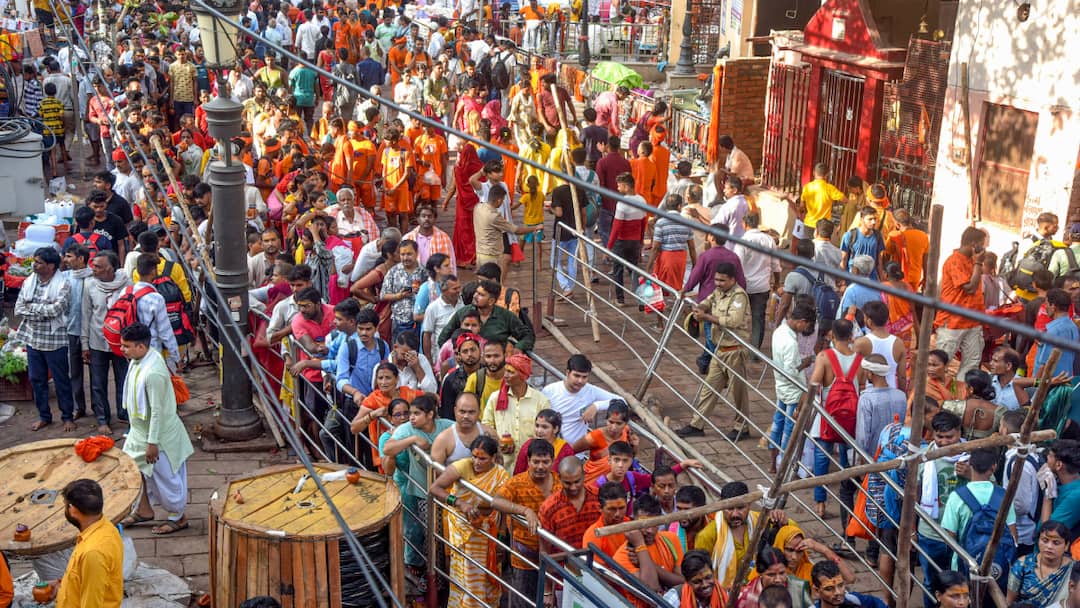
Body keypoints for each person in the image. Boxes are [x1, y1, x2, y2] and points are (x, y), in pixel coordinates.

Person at [117, 323, 194, 535]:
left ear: (141, 347)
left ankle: (178, 517)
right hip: (138, 430)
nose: (122, 349)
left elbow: (158, 412)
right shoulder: (139, 360)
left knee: (166, 479)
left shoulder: (153, 372)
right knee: (134, 471)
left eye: (126, 346)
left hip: (159, 436)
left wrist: (152, 443)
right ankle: (143, 510)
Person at [430, 435, 512, 608]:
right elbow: (435, 488)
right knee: (467, 572)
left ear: (494, 458)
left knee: (487, 574)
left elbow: (500, 509)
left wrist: (502, 538)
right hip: (463, 530)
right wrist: (460, 503)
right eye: (474, 456)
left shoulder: (500, 475)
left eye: (482, 458)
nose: (476, 462)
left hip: (488, 532)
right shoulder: (462, 466)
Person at [676, 263, 751, 440]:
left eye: (722, 280)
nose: (717, 283)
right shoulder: (719, 291)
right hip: (719, 350)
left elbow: (733, 321)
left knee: (737, 392)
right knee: (709, 388)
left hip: (734, 351)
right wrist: (701, 307)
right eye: (716, 279)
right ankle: (697, 424)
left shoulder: (739, 296)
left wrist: (706, 317)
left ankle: (743, 427)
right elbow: (709, 300)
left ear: (732, 280)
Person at [383, 394, 454, 574]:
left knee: (448, 535)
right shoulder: (407, 429)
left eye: (416, 413)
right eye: (410, 413)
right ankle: (432, 575)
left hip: (451, 489)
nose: (410, 417)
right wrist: (413, 441)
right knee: (430, 535)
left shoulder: (445, 425)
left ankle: (448, 575)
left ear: (430, 415)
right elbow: (387, 448)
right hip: (424, 492)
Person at [17, 247, 76, 432]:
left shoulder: (63, 284)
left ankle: (67, 416)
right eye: (35, 261)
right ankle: (44, 416)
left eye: (39, 262)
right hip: (33, 338)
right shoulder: (29, 282)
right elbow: (18, 308)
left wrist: (32, 308)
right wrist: (41, 309)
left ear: (51, 266)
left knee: (61, 380)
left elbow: (56, 310)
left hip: (55, 340)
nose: (34, 265)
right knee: (36, 379)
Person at [495, 439, 560, 607]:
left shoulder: (560, 482)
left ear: (552, 462)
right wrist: (524, 511)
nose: (540, 466)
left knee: (550, 600)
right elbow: (496, 501)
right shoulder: (517, 482)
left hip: (554, 554)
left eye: (545, 462)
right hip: (525, 555)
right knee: (522, 599)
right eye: (536, 461)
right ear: (528, 461)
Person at [692, 481, 790, 587]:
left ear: (749, 505)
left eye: (740, 508)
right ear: (721, 506)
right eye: (730, 508)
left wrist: (782, 519)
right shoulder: (707, 536)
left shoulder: (759, 521)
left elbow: (789, 531)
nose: (735, 514)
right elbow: (700, 573)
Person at [44, 479, 124, 608]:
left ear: (73, 509)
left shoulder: (93, 553)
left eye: (65, 505)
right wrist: (61, 585)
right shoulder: (106, 528)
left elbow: (92, 603)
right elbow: (87, 578)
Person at [915, 410, 967, 601]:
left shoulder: (972, 457)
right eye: (940, 437)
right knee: (931, 582)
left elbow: (988, 489)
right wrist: (912, 530)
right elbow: (915, 496)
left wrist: (971, 475)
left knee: (961, 583)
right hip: (930, 533)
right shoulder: (923, 457)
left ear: (959, 433)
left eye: (950, 437)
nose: (944, 442)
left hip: (961, 535)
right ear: (932, 435)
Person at [612, 494, 685, 603]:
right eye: (645, 524)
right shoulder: (622, 556)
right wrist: (640, 544)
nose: (650, 530)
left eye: (654, 524)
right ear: (633, 521)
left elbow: (683, 582)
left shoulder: (671, 539)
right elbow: (651, 588)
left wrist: (649, 564)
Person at [769, 305, 817, 472]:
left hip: (781, 386)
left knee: (777, 424)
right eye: (806, 326)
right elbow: (791, 371)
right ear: (801, 322)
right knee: (789, 429)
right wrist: (804, 364)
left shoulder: (779, 331)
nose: (806, 330)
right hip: (792, 390)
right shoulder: (790, 342)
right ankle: (783, 465)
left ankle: (773, 463)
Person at [482, 353, 550, 470]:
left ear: (523, 376)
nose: (506, 375)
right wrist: (499, 443)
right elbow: (486, 425)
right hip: (503, 464)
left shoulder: (541, 401)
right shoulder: (495, 398)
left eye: (511, 372)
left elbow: (548, 431)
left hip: (531, 465)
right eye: (506, 371)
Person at [936, 226, 987, 377]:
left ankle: (956, 399)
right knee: (939, 364)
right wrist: (978, 263)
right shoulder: (954, 261)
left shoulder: (972, 261)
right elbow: (970, 288)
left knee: (970, 366)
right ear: (973, 244)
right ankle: (935, 398)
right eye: (983, 244)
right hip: (952, 322)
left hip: (972, 322)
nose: (985, 248)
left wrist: (977, 263)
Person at [541, 354, 621, 445]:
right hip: (551, 449)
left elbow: (621, 401)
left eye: (584, 377)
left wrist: (596, 406)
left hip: (576, 453)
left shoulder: (591, 391)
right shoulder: (550, 391)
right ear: (567, 373)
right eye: (576, 376)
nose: (580, 381)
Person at [436, 279, 535, 351]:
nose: (475, 296)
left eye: (481, 295)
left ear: (491, 301)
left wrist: (518, 348)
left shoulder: (505, 316)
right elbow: (443, 338)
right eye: (476, 292)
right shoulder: (463, 313)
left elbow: (528, 336)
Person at [733, 213, 780, 349]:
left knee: (738, 316)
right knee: (758, 318)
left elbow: (738, 265)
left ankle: (737, 345)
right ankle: (754, 350)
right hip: (762, 286)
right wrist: (776, 282)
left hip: (744, 285)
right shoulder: (769, 240)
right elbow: (776, 265)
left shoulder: (742, 241)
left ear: (744, 224)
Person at [540, 456, 602, 551]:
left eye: (577, 482)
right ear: (559, 478)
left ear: (584, 475)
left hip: (596, 561)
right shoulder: (549, 508)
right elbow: (545, 547)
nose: (573, 487)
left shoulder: (599, 497)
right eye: (568, 483)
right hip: (562, 563)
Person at [1008, 521, 1075, 607]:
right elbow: (1010, 602)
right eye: (1045, 540)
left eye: (1056, 543)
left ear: (1066, 546)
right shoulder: (1022, 565)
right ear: (1038, 541)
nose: (1049, 546)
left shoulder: (1072, 568)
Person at [855, 354, 908, 456]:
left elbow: (862, 436)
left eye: (865, 371)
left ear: (870, 373)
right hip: (895, 453)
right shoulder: (901, 396)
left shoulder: (866, 398)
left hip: (874, 456)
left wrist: (861, 457)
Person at [572, 399, 631, 486]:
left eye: (619, 424)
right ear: (606, 420)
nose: (613, 427)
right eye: (610, 422)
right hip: (590, 483)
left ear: (625, 423)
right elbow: (570, 451)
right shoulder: (594, 437)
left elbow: (629, 455)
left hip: (613, 484)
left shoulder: (626, 432)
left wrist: (635, 446)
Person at [773, 524, 853, 586]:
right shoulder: (769, 572)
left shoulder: (809, 571)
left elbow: (849, 578)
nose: (794, 557)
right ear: (780, 547)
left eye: (799, 551)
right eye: (789, 550)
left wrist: (822, 549)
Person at [854, 300, 907, 390]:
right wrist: (902, 394)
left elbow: (856, 375)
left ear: (869, 321)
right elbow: (902, 376)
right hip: (891, 392)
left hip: (869, 393)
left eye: (865, 318)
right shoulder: (899, 343)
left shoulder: (861, 343)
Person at [736, 546, 812, 608]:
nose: (778, 580)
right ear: (760, 573)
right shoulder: (746, 596)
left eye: (782, 573)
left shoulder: (799, 588)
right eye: (771, 575)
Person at [516, 409, 576, 475]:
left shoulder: (565, 449)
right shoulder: (528, 445)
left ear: (555, 429)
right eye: (537, 426)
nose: (539, 431)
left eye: (544, 427)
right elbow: (518, 473)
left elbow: (570, 477)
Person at [1035, 288, 1080, 377]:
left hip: (1050, 384)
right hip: (1066, 380)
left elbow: (1043, 365)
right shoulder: (1073, 327)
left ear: (1053, 306)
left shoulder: (1053, 331)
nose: (1045, 307)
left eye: (1046, 303)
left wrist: (1035, 386)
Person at [810, 560, 887, 608]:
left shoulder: (854, 599)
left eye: (840, 585)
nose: (838, 592)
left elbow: (877, 603)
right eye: (829, 589)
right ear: (817, 591)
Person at [884, 208, 929, 292]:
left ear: (898, 225)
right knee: (910, 302)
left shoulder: (894, 236)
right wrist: (925, 278)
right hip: (915, 278)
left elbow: (886, 255)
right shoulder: (923, 236)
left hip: (897, 277)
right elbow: (925, 261)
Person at [839, 207, 885, 281]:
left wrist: (882, 280)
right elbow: (843, 259)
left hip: (871, 279)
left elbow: (879, 261)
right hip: (852, 278)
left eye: (875, 219)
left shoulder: (878, 236)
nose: (873, 222)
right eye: (870, 219)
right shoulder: (850, 235)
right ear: (861, 219)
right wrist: (841, 280)